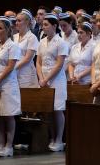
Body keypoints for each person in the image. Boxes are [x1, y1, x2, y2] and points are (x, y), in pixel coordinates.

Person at [0, 16, 21, 157]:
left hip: (7, 84)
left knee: (8, 115)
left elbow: (11, 66)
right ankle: (1, 143)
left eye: (0, 28)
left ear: (7, 30)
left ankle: (9, 145)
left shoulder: (13, 46)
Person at [36, 13, 68, 152]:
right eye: (42, 25)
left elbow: (59, 64)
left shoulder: (61, 42)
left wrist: (47, 79)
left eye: (46, 25)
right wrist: (41, 78)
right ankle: (51, 137)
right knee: (48, 111)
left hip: (56, 80)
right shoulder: (42, 42)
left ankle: (59, 139)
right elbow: (38, 62)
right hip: (44, 80)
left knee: (57, 110)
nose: (43, 27)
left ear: (54, 26)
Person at [14, 9, 39, 88]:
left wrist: (13, 68)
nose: (16, 23)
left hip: (26, 72)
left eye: (19, 21)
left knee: (26, 97)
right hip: (14, 72)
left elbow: (27, 58)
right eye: (16, 21)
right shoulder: (14, 37)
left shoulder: (32, 37)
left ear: (27, 22)